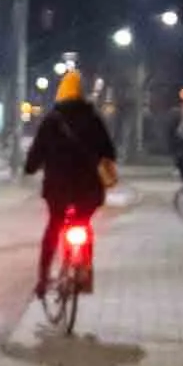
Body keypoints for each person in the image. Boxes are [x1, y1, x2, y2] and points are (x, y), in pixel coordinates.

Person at [21, 70, 117, 300]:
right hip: (88, 190)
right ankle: (84, 272)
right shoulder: (93, 119)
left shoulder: (51, 121)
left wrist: (30, 168)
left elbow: (35, 156)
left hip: (58, 190)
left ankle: (43, 279)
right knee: (83, 223)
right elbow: (110, 152)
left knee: (54, 227)